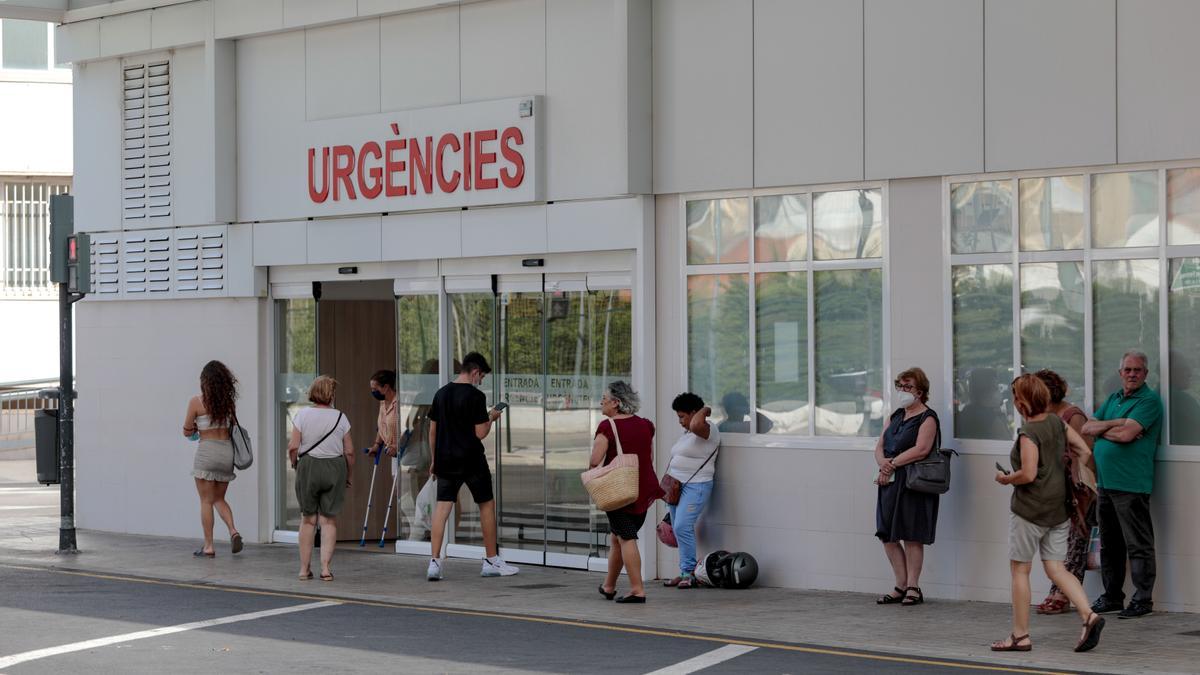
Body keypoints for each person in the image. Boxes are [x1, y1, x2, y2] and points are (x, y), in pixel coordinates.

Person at [991, 374, 1104, 653]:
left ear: (1021, 402)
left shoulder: (1029, 432)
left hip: (1030, 510)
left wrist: (1007, 479)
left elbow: (1028, 474)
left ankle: (1020, 636)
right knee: (1056, 568)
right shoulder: (1058, 422)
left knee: (1020, 569)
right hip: (1058, 508)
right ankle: (1089, 615)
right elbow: (1083, 451)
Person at [1081, 350, 1163, 619]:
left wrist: (1113, 429)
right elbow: (1087, 428)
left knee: (1138, 544)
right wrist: (1116, 423)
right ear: (1120, 373)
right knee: (1110, 544)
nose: (1132, 374)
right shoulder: (1115, 399)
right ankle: (1112, 596)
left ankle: (1143, 600)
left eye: (1137, 370)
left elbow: (1128, 435)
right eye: (1127, 370)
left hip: (1131, 485)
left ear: (1145, 374)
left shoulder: (1149, 401)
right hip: (1104, 483)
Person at [425, 352, 518, 580]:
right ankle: (491, 560)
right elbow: (480, 432)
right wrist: (492, 417)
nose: (481, 381)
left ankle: (434, 563)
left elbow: (432, 432)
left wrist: (434, 460)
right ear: (475, 372)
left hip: (445, 458)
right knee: (486, 504)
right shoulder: (475, 397)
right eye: (482, 376)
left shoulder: (441, 393)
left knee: (442, 508)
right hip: (471, 460)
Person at [592, 381, 664, 603]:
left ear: (616, 402)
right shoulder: (646, 425)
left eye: (604, 399)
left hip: (618, 490)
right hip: (642, 488)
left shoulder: (607, 426)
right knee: (618, 537)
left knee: (626, 537)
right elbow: (648, 458)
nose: (601, 402)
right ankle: (609, 586)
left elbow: (595, 460)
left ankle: (637, 589)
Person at [874, 367, 940, 606]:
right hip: (888, 481)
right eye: (900, 386)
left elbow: (921, 449)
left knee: (912, 536)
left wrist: (890, 465)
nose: (902, 391)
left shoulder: (927, 417)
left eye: (908, 386)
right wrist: (883, 465)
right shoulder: (895, 416)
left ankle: (913, 586)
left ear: (920, 392)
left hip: (913, 483)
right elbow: (880, 444)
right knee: (887, 535)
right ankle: (900, 585)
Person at [1034, 369, 1097, 615]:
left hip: (1074, 490)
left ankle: (1063, 594)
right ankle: (1056, 590)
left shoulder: (1072, 415)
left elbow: (1086, 455)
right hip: (1051, 489)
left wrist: (1084, 492)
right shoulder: (1042, 415)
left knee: (1074, 542)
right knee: (1056, 545)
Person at [287, 375, 354, 582]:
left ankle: (304, 569)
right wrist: (348, 475)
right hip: (335, 467)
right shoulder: (341, 417)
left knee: (308, 519)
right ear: (331, 394)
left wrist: (295, 463)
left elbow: (293, 447)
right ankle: (325, 568)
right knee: (328, 520)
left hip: (308, 467)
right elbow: (349, 452)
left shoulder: (302, 415)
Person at [181, 360, 243, 558]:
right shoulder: (228, 404)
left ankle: (208, 546)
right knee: (219, 498)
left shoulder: (196, 402)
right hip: (226, 453)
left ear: (204, 382)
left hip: (207, 452)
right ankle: (233, 530)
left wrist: (195, 429)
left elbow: (186, 430)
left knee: (206, 501)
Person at [662, 392, 719, 589]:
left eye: (682, 416)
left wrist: (704, 410)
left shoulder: (707, 429)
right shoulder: (686, 434)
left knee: (681, 526)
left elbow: (696, 424)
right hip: (678, 486)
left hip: (697, 486)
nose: (680, 422)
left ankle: (689, 573)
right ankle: (684, 571)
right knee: (678, 530)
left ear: (694, 414)